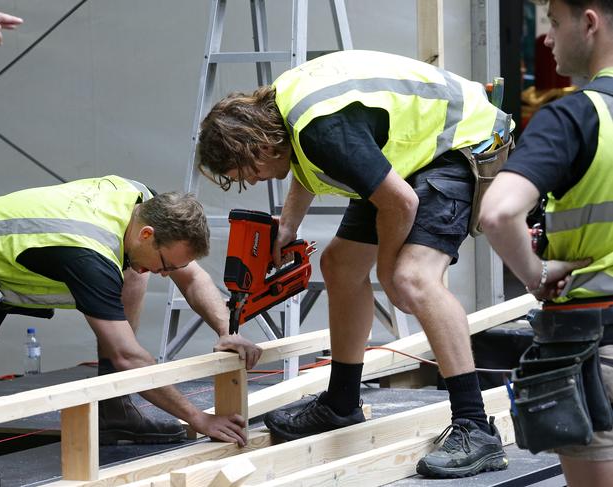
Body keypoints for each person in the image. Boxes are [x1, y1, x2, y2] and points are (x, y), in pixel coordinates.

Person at [198, 49, 512, 478]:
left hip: (463, 141)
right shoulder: (285, 114)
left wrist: (387, 271)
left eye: (246, 169)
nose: (251, 180)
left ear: (259, 144)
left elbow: (400, 202)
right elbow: (313, 164)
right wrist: (288, 226)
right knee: (341, 264)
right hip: (412, 154)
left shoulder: (320, 131)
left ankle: (476, 428)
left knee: (413, 277)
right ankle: (342, 403)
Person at [0, 175, 262, 447]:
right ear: (147, 234)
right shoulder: (90, 255)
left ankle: (114, 407)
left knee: (136, 270)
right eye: (166, 264)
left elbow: (193, 277)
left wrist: (228, 332)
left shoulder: (143, 203)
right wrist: (198, 419)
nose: (165, 274)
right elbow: (128, 356)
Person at [480, 1, 613, 485]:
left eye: (555, 23)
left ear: (590, 22)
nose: (549, 38)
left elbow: (497, 213)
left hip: (597, 344)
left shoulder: (575, 116)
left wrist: (536, 276)